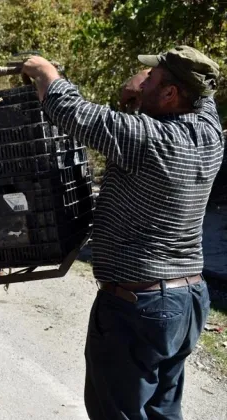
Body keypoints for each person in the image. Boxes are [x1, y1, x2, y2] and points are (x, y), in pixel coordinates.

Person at [22, 46, 223, 419]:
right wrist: (143, 95)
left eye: (151, 78)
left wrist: (43, 69)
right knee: (163, 412)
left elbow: (74, 112)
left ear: (170, 94)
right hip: (187, 302)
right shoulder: (210, 132)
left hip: (138, 307)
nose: (141, 80)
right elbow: (204, 97)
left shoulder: (146, 139)